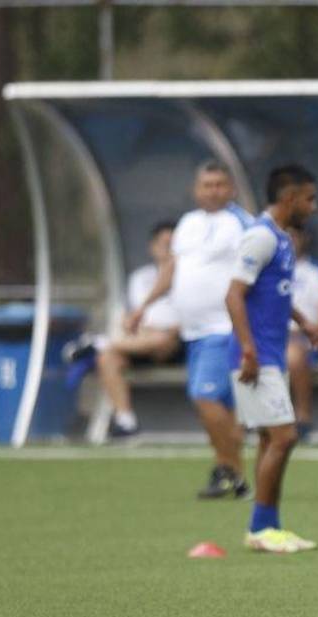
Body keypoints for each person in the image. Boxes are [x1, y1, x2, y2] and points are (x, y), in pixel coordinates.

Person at [131, 161, 252, 498]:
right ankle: (230, 473)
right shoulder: (187, 223)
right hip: (194, 330)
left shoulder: (242, 223)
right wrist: (144, 306)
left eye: (219, 184)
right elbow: (172, 268)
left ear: (232, 189)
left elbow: (260, 269)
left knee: (204, 395)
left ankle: (232, 470)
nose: (212, 190)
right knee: (217, 407)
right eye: (206, 184)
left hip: (224, 328)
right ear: (195, 189)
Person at [227, 165, 318, 554]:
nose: (313, 207)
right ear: (289, 198)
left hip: (269, 355)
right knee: (284, 436)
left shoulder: (282, 239)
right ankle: (261, 527)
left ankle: (268, 526)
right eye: (309, 198)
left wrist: (304, 322)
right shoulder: (259, 237)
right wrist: (249, 350)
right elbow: (234, 295)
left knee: (272, 438)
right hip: (257, 356)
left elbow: (275, 295)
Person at [66, 220, 181, 438]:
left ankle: (99, 343)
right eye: (164, 244)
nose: (168, 250)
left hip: (174, 343)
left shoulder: (189, 276)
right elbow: (132, 316)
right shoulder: (141, 278)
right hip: (140, 341)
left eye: (173, 245)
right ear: (152, 247)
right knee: (107, 358)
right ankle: (125, 421)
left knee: (163, 337)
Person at [285, 226, 318, 442]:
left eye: (293, 236)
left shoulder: (317, 272)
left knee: (294, 354)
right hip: (270, 338)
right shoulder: (268, 271)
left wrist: (304, 331)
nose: (288, 241)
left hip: (304, 340)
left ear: (304, 238)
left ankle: (303, 419)